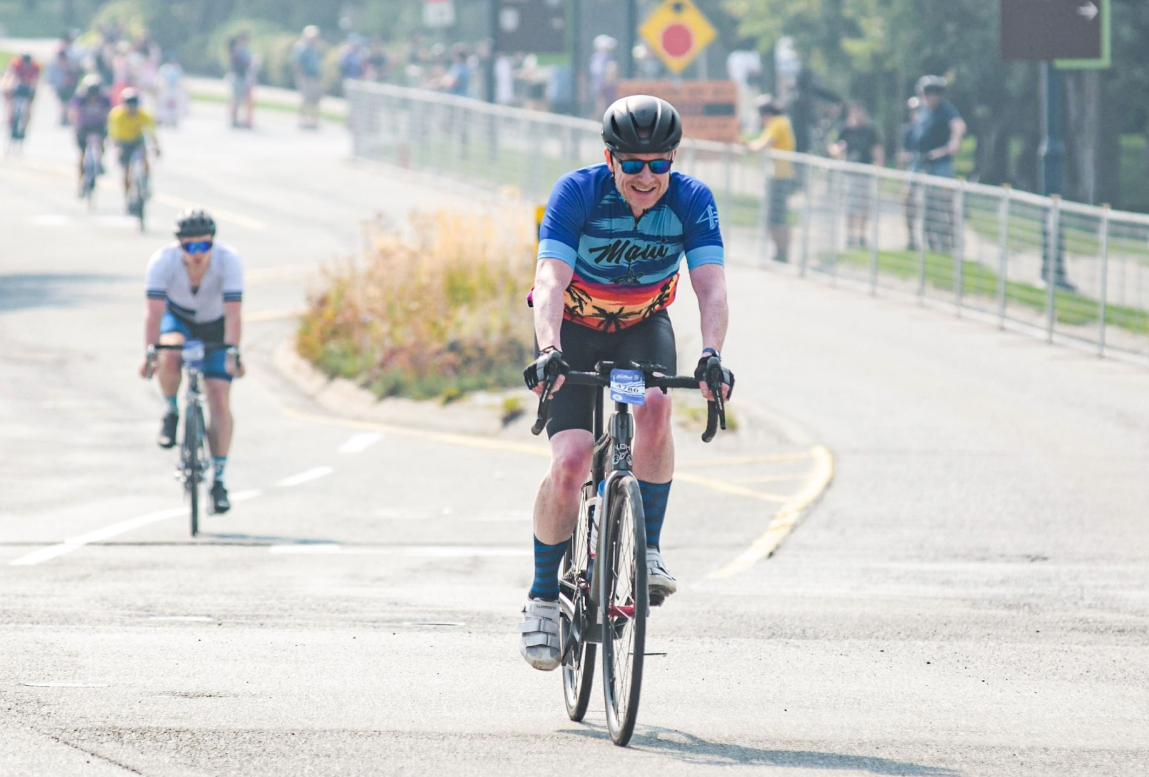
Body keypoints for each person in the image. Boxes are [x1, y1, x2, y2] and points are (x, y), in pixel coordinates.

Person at [518, 95, 734, 671]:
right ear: (609, 159)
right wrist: (548, 351)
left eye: (659, 163)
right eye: (633, 164)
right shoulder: (577, 193)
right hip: (573, 333)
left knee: (657, 406)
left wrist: (712, 354)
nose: (646, 176)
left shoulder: (692, 200)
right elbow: (550, 280)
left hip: (641, 330)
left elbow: (710, 288)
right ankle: (542, 598)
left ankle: (650, 549)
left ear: (673, 160)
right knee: (570, 459)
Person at [142, 208, 245, 515]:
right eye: (190, 247)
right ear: (179, 246)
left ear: (213, 243)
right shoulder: (162, 262)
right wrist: (150, 352)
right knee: (170, 353)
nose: (198, 253)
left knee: (218, 395)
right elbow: (154, 313)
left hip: (215, 325)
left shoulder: (229, 261)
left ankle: (219, 478)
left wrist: (233, 352)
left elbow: (234, 313)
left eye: (204, 246)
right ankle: (171, 409)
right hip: (180, 320)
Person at [911, 76, 966, 252]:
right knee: (910, 194)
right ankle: (912, 236)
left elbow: (958, 125)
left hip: (940, 161)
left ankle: (951, 230)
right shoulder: (922, 110)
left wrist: (954, 142)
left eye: (935, 93)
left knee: (945, 196)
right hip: (921, 160)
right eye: (928, 93)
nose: (932, 96)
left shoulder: (946, 110)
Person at [746, 96, 797, 263]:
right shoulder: (783, 121)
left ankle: (782, 252)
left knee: (775, 217)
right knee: (776, 216)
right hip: (780, 175)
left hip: (779, 176)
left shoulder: (777, 123)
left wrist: (743, 144)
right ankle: (781, 252)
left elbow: (762, 144)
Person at [830, 102, 885, 249]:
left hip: (866, 172)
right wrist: (837, 152)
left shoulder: (869, 130)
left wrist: (879, 168)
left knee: (865, 206)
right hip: (850, 172)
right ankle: (850, 235)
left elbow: (877, 149)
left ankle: (861, 235)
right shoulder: (845, 130)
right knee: (850, 205)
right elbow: (835, 146)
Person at [107, 88, 160, 209]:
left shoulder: (144, 115)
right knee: (126, 170)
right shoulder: (117, 115)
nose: (132, 107)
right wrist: (117, 147)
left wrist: (156, 146)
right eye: (129, 104)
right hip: (124, 142)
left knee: (145, 160)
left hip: (137, 141)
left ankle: (145, 183)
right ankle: (127, 195)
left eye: (134, 104)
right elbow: (113, 133)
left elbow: (152, 132)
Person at [69, 75, 112, 193]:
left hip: (99, 126)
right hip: (84, 126)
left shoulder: (104, 98)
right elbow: (74, 112)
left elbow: (110, 113)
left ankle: (100, 161)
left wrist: (108, 125)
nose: (93, 95)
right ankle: (80, 182)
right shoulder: (81, 97)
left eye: (95, 91)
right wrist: (76, 125)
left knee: (102, 144)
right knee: (82, 155)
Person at [899, 96, 922, 250]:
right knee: (908, 201)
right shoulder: (908, 130)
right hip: (913, 169)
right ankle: (911, 237)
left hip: (929, 170)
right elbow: (902, 153)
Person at [292, 25, 324, 130]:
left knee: (315, 99)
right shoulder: (302, 48)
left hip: (314, 77)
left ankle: (312, 120)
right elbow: (297, 63)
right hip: (306, 76)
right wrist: (301, 76)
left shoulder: (314, 49)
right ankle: (302, 119)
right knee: (305, 98)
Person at [3, 54, 42, 139]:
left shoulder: (35, 66)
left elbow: (36, 80)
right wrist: (8, 89)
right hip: (15, 87)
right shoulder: (16, 64)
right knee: (10, 105)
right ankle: (9, 123)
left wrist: (33, 91)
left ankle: (24, 128)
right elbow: (10, 76)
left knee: (28, 108)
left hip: (27, 88)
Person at [226, 33, 256, 128]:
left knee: (239, 99)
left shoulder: (242, 51)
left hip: (242, 77)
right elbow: (242, 64)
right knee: (236, 99)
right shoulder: (236, 52)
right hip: (238, 77)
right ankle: (233, 119)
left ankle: (238, 119)